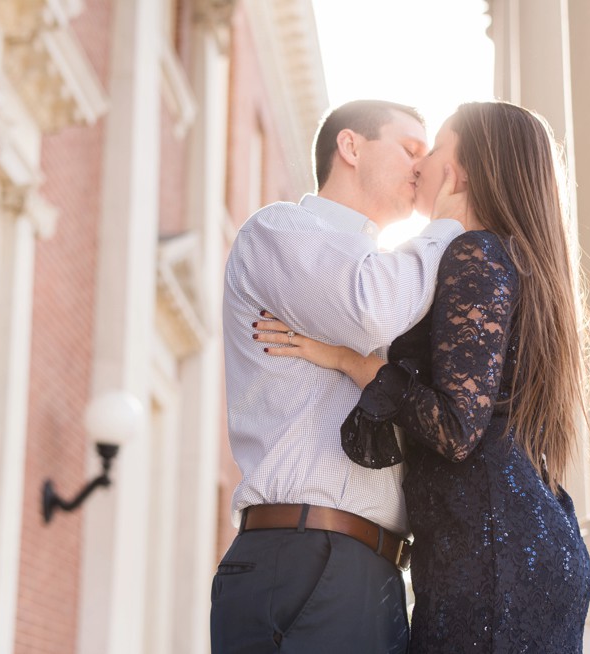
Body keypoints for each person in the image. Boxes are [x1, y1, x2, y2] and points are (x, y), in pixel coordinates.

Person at [254, 101, 590, 653]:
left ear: (459, 171)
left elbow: (455, 428)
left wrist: (354, 362)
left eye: (435, 148)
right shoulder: (511, 261)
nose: (421, 165)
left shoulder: (475, 252)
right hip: (509, 549)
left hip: (489, 560)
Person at [212, 100, 465, 653]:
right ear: (351, 148)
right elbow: (370, 307)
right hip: (306, 555)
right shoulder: (281, 231)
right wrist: (451, 221)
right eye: (410, 150)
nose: (422, 168)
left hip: (368, 572)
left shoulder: (395, 271)